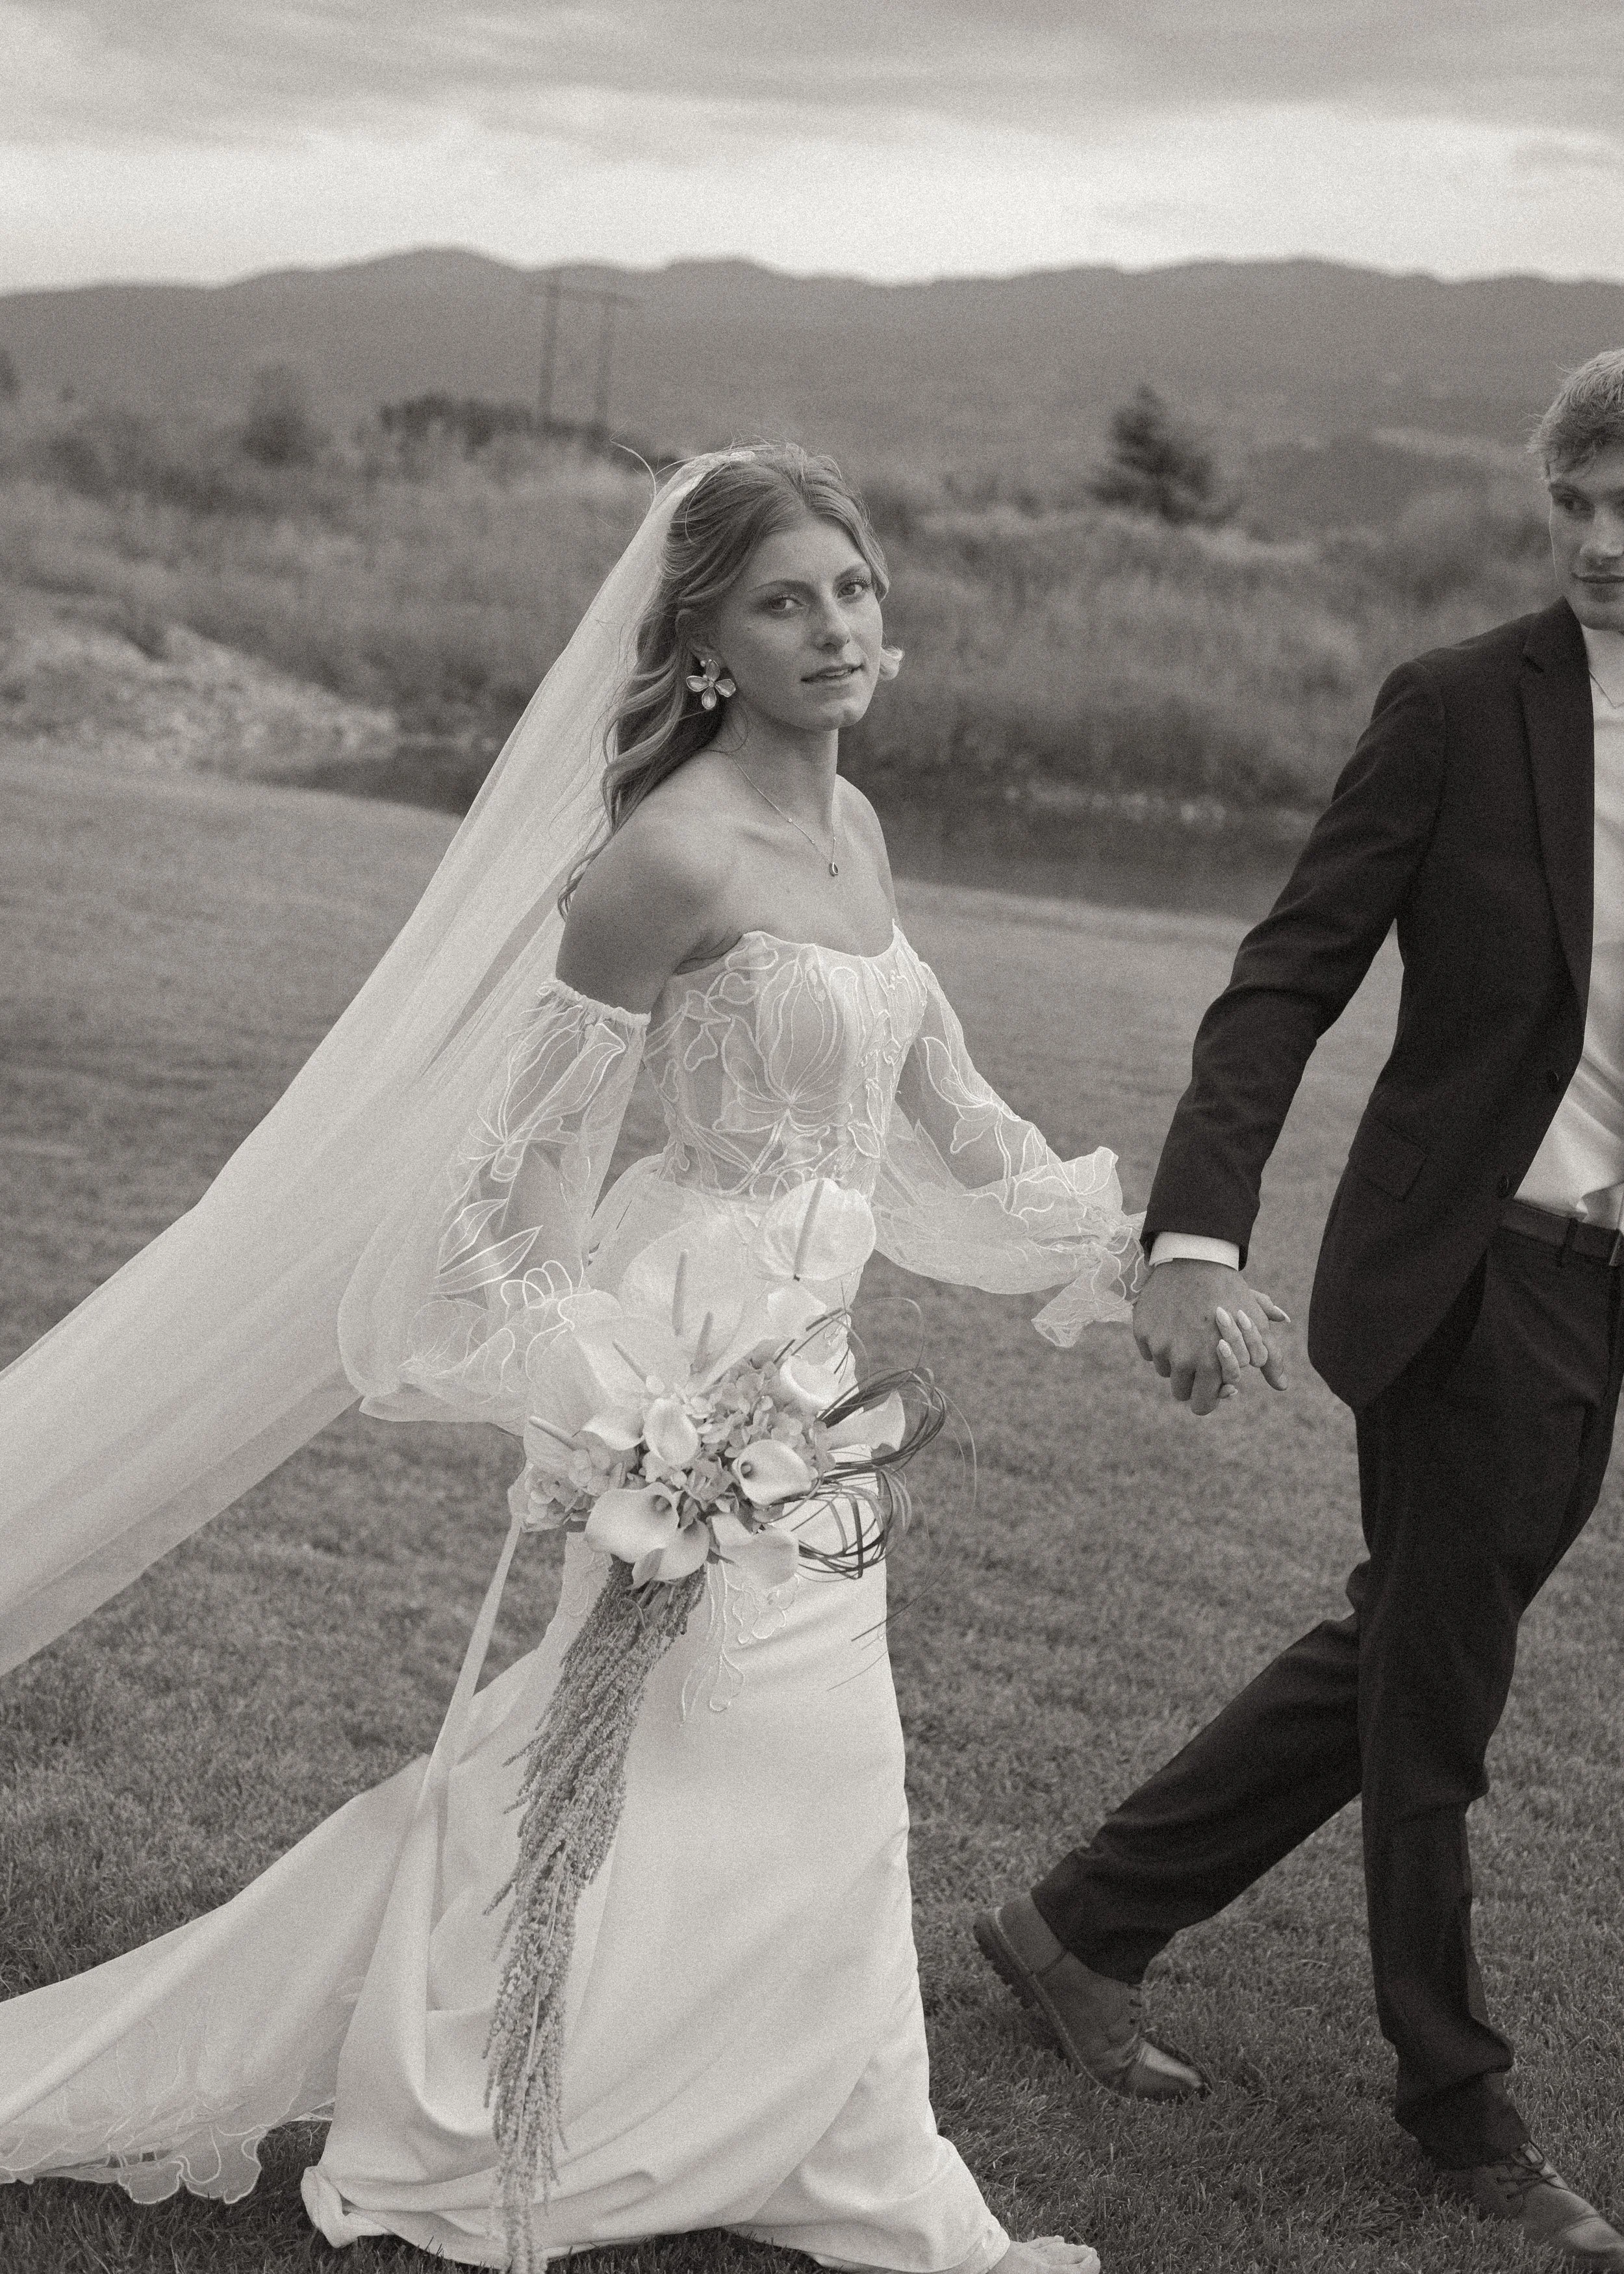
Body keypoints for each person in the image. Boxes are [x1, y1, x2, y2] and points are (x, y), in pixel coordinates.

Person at [0, 444, 1230, 2271]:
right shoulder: (661, 861)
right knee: (662, 1751)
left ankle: (813, 2125)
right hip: (683, 1404)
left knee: (812, 1776)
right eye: (783, 600)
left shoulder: (859, 831)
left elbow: (946, 1115)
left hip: (818, 1405)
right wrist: (629, 1409)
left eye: (854, 590)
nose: (834, 628)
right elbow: (499, 1209)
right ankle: (487, 2109)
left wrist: (1145, 1258)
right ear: (707, 644)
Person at [976, 351, 1624, 2270]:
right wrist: (1191, 1232)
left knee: (1406, 1637)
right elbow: (1282, 983)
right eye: (1572, 503)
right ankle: (1462, 2119)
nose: (1599, 542)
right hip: (1475, 1270)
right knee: (1438, 1695)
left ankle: (1077, 1921)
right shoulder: (1458, 709)